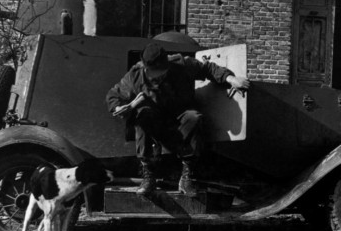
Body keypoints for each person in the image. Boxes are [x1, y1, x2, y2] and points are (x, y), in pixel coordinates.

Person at [106, 42, 250, 196]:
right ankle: (148, 175)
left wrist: (230, 79)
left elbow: (208, 68)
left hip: (181, 117)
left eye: (158, 70)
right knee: (142, 115)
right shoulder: (136, 74)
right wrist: (117, 108)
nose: (154, 75)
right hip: (155, 122)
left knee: (194, 117)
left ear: (166, 64)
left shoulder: (182, 64)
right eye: (151, 71)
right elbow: (114, 94)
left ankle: (186, 175)